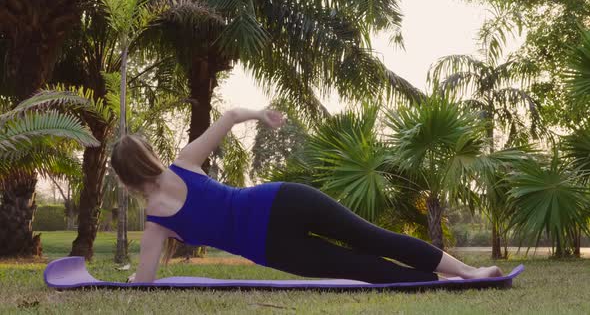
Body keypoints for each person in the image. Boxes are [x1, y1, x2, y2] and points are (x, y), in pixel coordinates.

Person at [111, 108, 503, 284]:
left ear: (126, 179)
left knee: (359, 265)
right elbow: (229, 116)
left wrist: (132, 277)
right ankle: (466, 273)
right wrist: (262, 114)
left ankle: (441, 279)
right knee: (374, 238)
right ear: (148, 156)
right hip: (281, 199)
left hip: (272, 245)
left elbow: (145, 279)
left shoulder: (156, 222)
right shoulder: (184, 162)